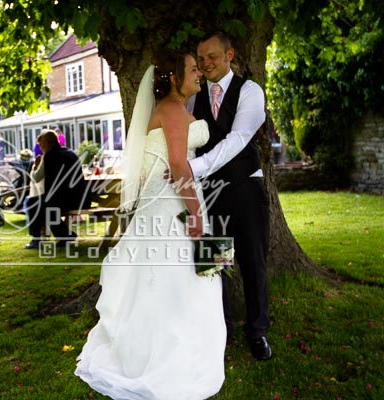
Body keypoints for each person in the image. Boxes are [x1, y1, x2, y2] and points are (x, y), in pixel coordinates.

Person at [75, 51, 226, 399]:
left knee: (170, 277)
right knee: (180, 278)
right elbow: (176, 162)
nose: (198, 75)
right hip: (173, 201)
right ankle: (169, 356)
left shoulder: (172, 111)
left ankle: (157, 347)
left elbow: (157, 164)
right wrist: (195, 213)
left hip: (161, 198)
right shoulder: (173, 111)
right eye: (191, 70)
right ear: (174, 78)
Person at [189, 31, 271, 361]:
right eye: (201, 58)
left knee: (253, 263)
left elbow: (238, 138)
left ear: (229, 55)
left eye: (212, 56)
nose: (206, 63)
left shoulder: (250, 91)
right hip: (210, 195)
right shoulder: (195, 98)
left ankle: (258, 331)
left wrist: (194, 168)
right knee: (215, 265)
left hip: (245, 190)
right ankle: (220, 329)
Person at [24, 130, 90, 249]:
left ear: (48, 143)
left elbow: (36, 178)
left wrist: (35, 166)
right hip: (80, 197)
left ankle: (36, 239)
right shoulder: (71, 153)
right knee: (47, 207)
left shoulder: (48, 156)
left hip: (61, 199)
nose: (41, 147)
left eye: (42, 145)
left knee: (33, 203)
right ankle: (65, 236)